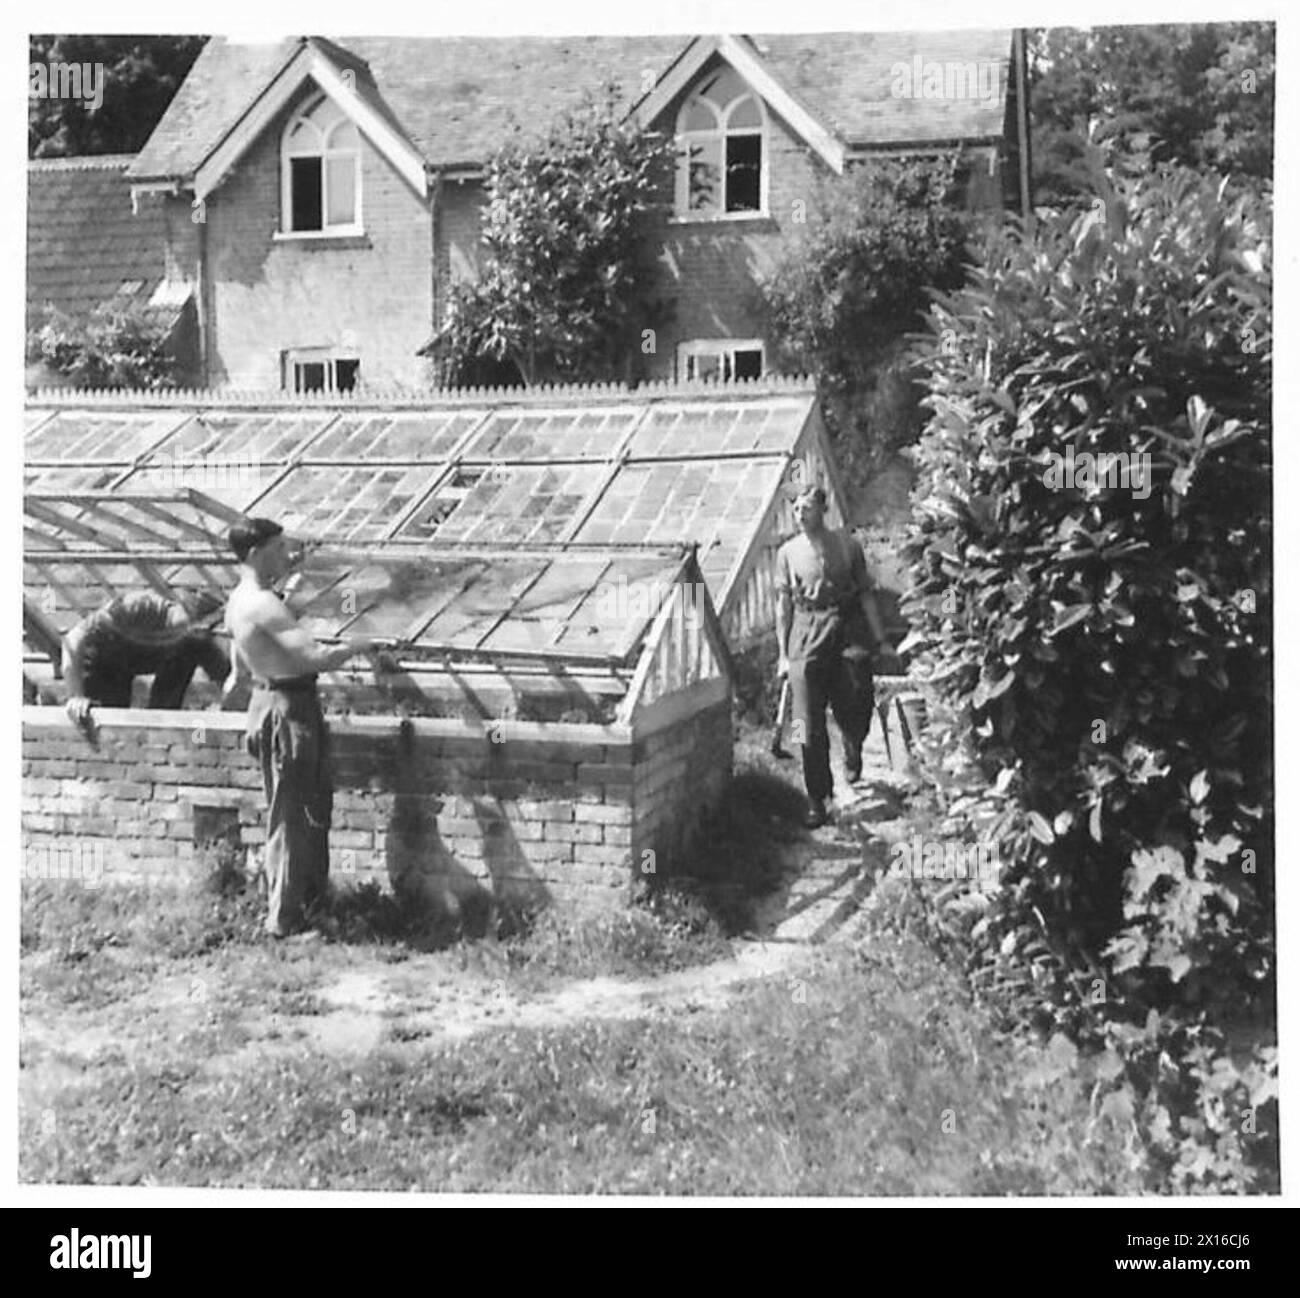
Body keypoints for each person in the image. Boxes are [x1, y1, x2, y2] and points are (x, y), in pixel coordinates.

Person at [223, 517, 376, 938]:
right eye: (278, 548)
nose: (286, 555)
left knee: (301, 808)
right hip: (288, 707)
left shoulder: (238, 601)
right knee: (292, 814)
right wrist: (365, 645)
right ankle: (284, 921)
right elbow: (311, 657)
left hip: (268, 700)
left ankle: (304, 906)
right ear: (255, 553)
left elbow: (237, 668)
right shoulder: (263, 604)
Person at [775, 486, 886, 828]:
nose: (800, 515)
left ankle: (854, 744)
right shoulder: (787, 553)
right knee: (804, 722)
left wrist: (881, 640)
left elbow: (866, 595)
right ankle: (816, 797)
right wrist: (783, 654)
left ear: (823, 510)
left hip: (846, 625)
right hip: (806, 633)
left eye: (807, 508)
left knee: (857, 698)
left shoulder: (848, 546)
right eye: (796, 509)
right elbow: (783, 606)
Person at [62, 589, 230, 726]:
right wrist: (76, 695)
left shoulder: (198, 639)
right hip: (103, 663)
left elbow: (229, 681)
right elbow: (73, 638)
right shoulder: (140, 606)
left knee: (189, 648)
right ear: (180, 610)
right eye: (196, 625)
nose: (198, 632)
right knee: (105, 723)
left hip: (135, 661)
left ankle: (161, 726)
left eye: (206, 629)